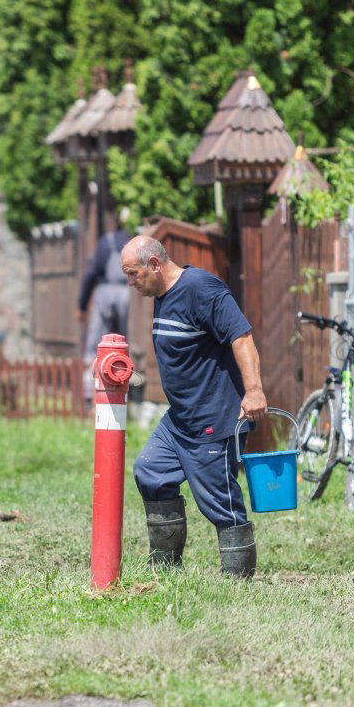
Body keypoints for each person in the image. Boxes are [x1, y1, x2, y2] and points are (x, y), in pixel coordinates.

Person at [120, 235, 267, 578]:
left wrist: (255, 391)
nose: (130, 282)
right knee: (150, 471)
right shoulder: (162, 293)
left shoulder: (203, 289)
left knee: (218, 502)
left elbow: (241, 337)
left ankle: (237, 579)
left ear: (154, 265)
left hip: (213, 419)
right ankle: (165, 567)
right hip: (180, 421)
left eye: (132, 273)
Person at [78, 220, 131, 399]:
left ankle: (89, 393)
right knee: (125, 342)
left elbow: (91, 274)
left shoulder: (105, 242)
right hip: (127, 293)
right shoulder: (135, 240)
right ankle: (125, 385)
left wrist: (82, 305)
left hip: (104, 293)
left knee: (96, 344)